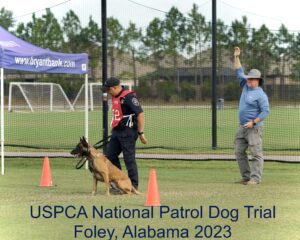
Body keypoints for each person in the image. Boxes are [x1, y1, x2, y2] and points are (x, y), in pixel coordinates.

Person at [233, 47, 270, 185]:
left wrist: (253, 122)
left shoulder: (261, 94)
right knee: (238, 151)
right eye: (248, 78)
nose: (249, 80)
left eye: (252, 79)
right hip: (242, 127)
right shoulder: (245, 85)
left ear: (258, 81)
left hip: (254, 128)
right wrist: (236, 56)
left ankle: (255, 179)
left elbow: (265, 111)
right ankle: (246, 177)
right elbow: (238, 70)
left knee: (256, 153)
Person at [104, 77, 147, 191]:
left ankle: (133, 185)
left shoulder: (128, 97)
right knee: (110, 156)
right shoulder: (114, 97)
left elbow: (140, 115)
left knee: (129, 159)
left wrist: (141, 133)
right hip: (117, 131)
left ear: (116, 87)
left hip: (128, 132)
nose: (108, 92)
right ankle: (120, 180)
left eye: (109, 89)